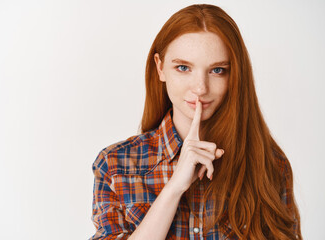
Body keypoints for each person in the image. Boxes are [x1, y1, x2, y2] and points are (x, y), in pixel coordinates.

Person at [90, 4, 302, 240]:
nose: (200, 88)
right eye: (183, 68)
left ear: (235, 75)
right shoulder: (115, 165)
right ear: (160, 68)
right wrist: (173, 189)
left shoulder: (270, 165)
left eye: (218, 70)